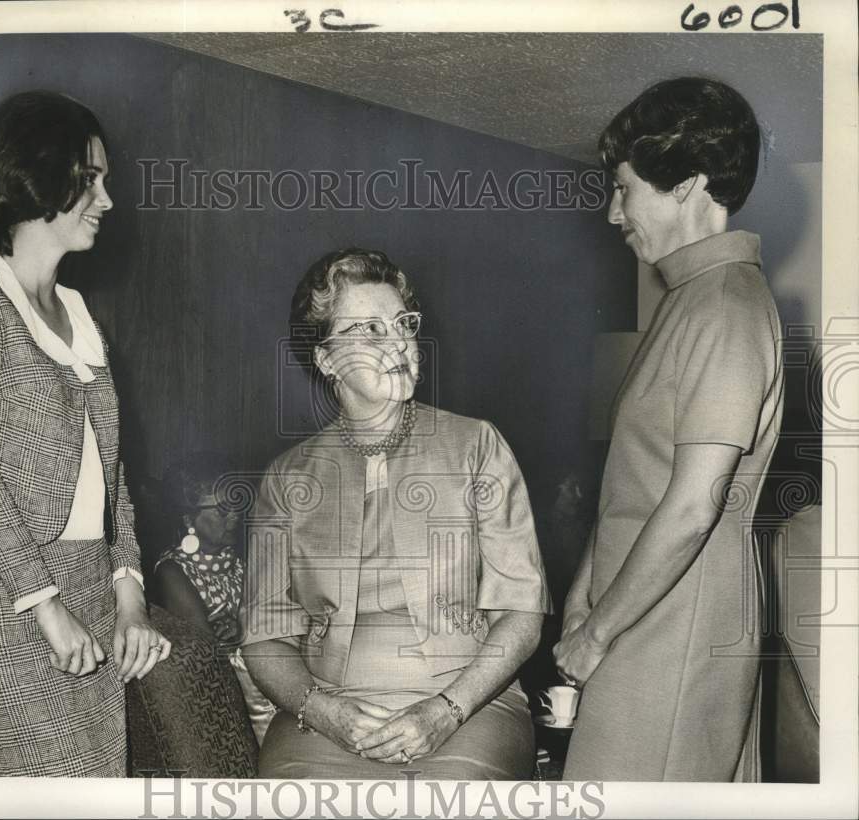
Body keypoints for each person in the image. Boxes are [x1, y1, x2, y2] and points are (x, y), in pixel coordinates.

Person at [0, 90, 170, 777]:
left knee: (100, 786)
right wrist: (46, 607)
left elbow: (112, 478)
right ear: (34, 176)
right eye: (90, 179)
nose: (107, 199)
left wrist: (130, 594)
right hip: (2, 595)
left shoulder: (81, 314)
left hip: (88, 581)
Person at [240, 248, 552, 779]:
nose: (399, 343)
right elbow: (264, 639)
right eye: (369, 330)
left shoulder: (477, 445)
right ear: (326, 360)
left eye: (402, 324)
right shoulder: (287, 478)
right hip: (328, 716)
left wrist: (446, 709)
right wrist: (323, 711)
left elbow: (521, 612)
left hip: (470, 705)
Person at [555, 77, 784, 781]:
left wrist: (596, 632)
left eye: (625, 189)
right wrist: (582, 597)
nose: (613, 212)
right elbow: (637, 481)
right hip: (639, 610)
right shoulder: (687, 299)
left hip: (676, 624)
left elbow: (691, 507)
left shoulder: (727, 307)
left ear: (686, 184)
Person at [154, 454, 278, 742]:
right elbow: (205, 650)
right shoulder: (173, 572)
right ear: (189, 518)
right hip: (225, 696)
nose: (234, 515)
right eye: (223, 510)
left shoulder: (237, 560)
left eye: (236, 505)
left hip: (261, 676)